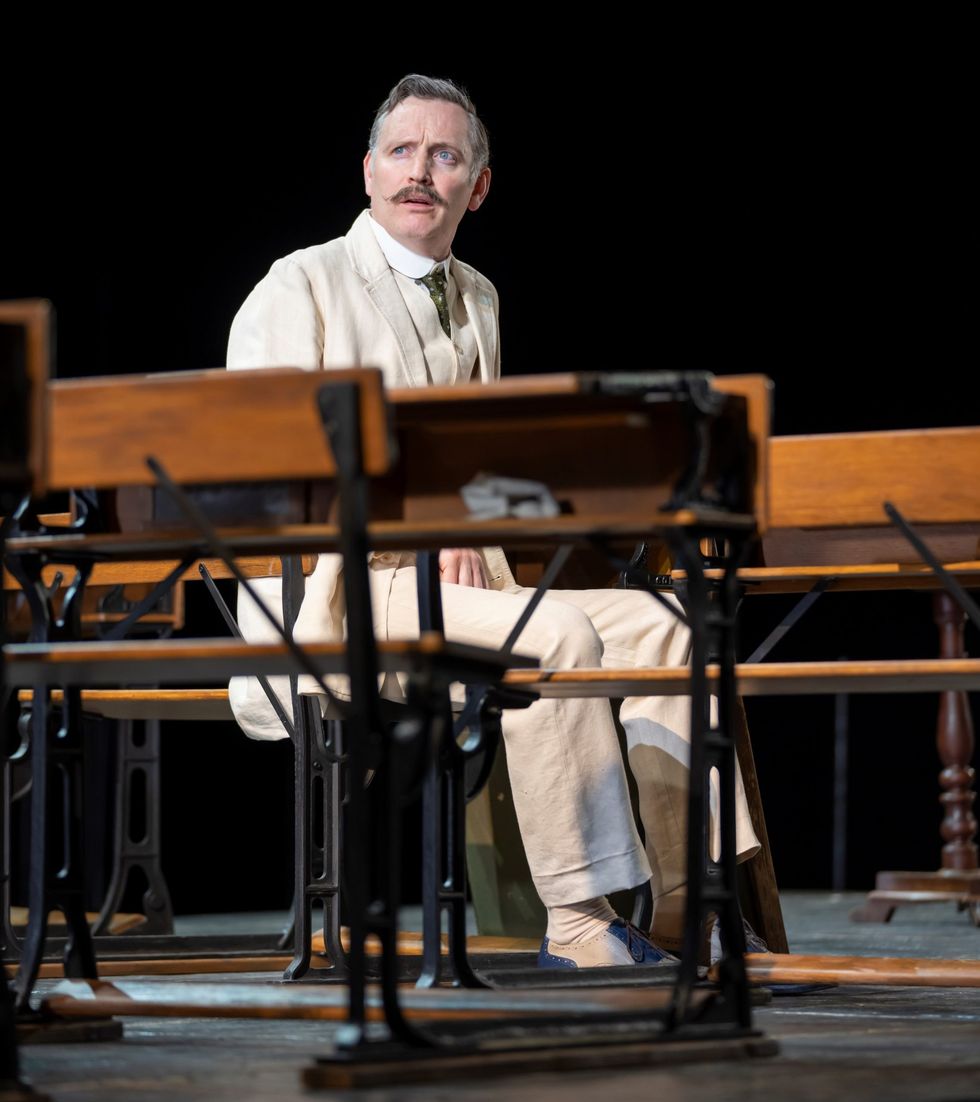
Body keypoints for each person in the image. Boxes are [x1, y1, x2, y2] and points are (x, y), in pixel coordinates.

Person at [226, 74, 761, 968]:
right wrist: (430, 528)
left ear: (477, 187)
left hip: (459, 586)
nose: (419, 172)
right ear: (367, 171)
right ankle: (580, 925)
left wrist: (519, 506)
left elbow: (472, 468)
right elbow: (266, 472)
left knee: (668, 626)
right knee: (554, 636)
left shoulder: (478, 295)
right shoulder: (301, 284)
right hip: (337, 589)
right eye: (401, 151)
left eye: (444, 156)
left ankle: (691, 908)